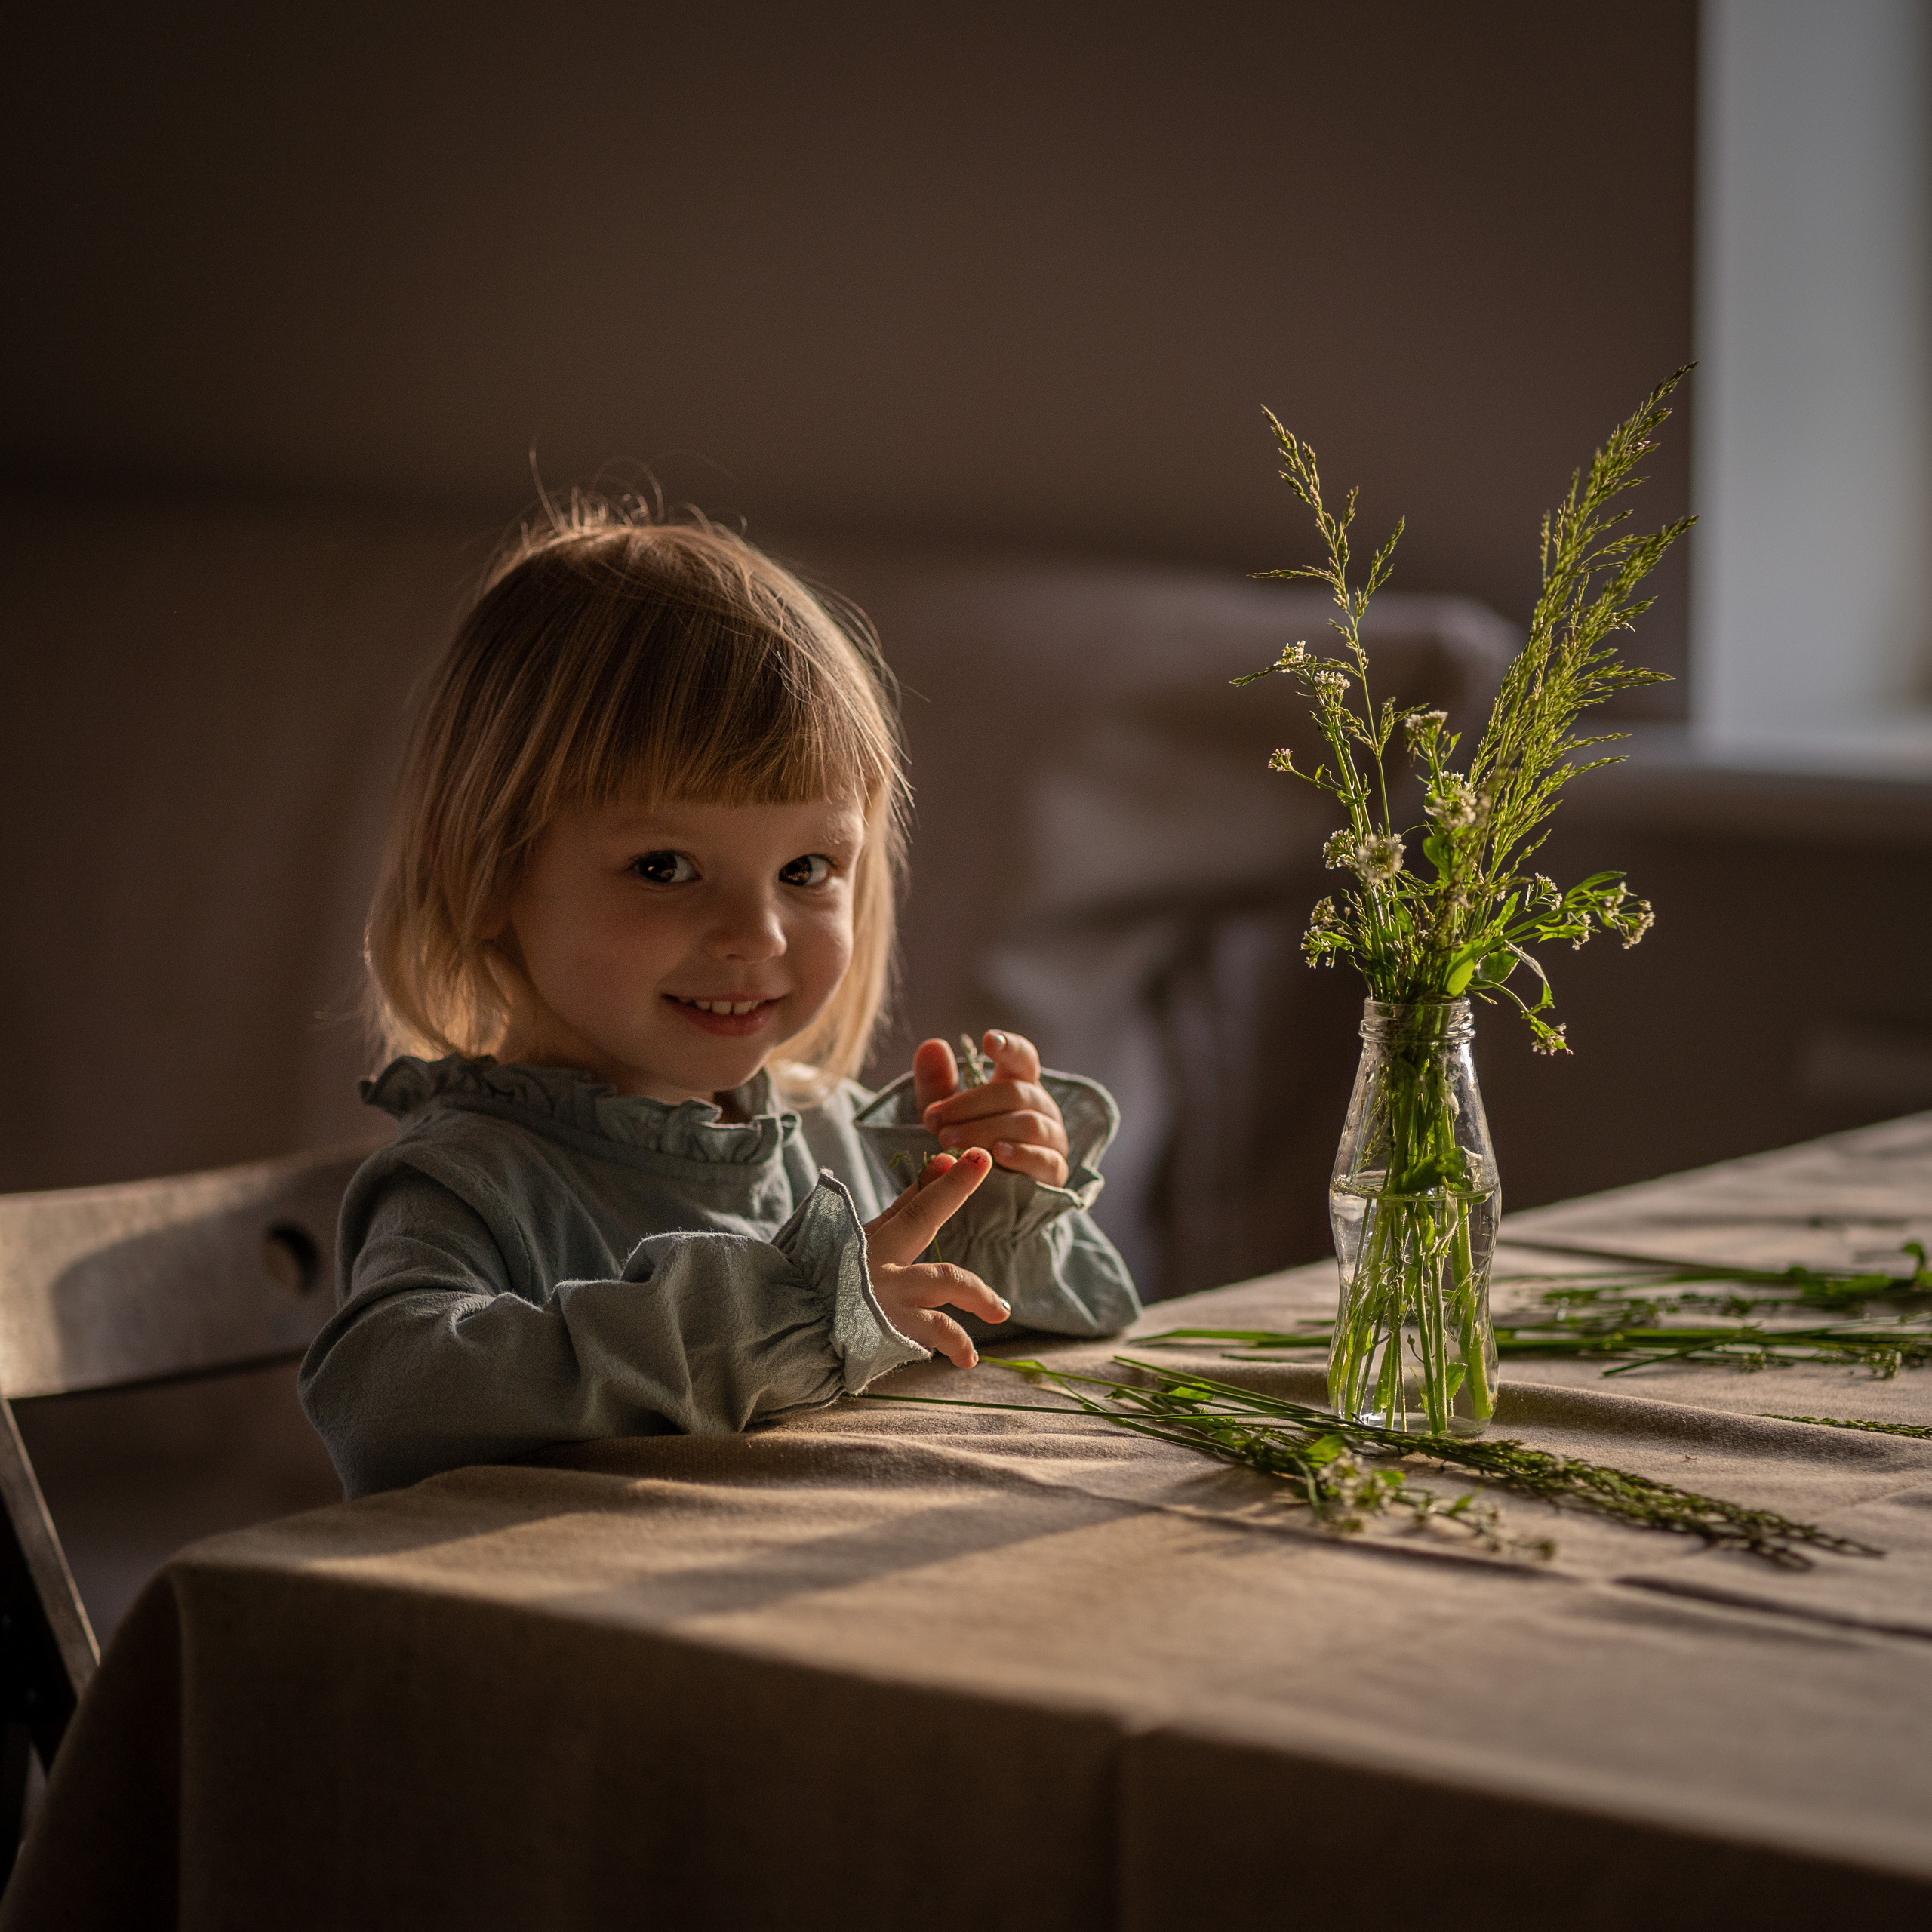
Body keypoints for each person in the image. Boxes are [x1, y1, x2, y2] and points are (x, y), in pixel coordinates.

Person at [299, 498, 1139, 1498]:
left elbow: (1077, 1328)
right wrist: (782, 1310)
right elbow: (387, 1402)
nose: (757, 936)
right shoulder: (471, 1182)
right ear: (487, 875)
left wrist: (990, 1210)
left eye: (807, 870)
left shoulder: (841, 1150)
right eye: (665, 866)